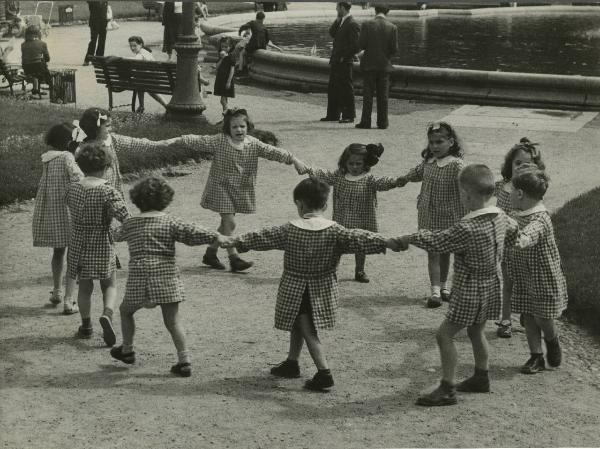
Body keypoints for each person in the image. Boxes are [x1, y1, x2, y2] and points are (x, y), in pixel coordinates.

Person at [221, 178, 400, 391]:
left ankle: (324, 372)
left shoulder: (290, 230)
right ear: (325, 205)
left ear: (299, 204)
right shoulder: (336, 231)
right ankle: (292, 362)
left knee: (306, 327)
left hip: (295, 286)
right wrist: (385, 241)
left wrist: (235, 241)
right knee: (299, 322)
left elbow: (263, 237)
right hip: (322, 287)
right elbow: (359, 238)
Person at [396, 164, 519, 406]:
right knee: (476, 331)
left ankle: (448, 387)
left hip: (469, 289)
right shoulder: (502, 216)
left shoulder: (467, 227)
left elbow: (439, 241)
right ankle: (481, 376)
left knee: (444, 335)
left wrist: (409, 238)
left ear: (466, 195)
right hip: (491, 285)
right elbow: (514, 233)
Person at [110, 177, 225, 377]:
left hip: (139, 277)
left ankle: (127, 349)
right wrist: (216, 236)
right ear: (165, 199)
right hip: (166, 277)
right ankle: (184, 360)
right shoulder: (170, 221)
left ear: (137, 200)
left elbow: (114, 235)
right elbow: (192, 231)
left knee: (126, 311)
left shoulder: (130, 223)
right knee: (172, 321)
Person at [166, 108, 300, 272]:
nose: (239, 130)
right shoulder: (220, 141)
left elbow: (272, 152)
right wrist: (177, 140)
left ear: (247, 126)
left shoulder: (253, 144)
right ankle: (233, 258)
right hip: (220, 187)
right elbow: (200, 141)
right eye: (234, 127)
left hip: (239, 189)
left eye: (242, 126)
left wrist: (293, 159)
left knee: (225, 225)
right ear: (228, 129)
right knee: (230, 222)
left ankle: (210, 253)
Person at [293, 143, 403, 283]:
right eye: (351, 163)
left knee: (361, 245)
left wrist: (396, 181)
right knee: (337, 245)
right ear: (344, 162)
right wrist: (308, 169)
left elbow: (383, 183)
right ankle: (331, 269)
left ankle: (360, 270)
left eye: (359, 163)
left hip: (363, 219)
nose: (355, 167)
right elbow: (323, 174)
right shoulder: (339, 176)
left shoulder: (369, 179)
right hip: (342, 218)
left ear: (366, 163)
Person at [396, 122, 467, 308]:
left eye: (439, 142)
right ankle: (435, 290)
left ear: (451, 142)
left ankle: (444, 287)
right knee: (433, 251)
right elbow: (417, 173)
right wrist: (403, 178)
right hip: (428, 213)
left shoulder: (456, 165)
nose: (434, 146)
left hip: (449, 214)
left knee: (445, 251)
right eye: (431, 142)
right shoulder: (429, 162)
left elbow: (465, 186)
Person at [66, 142, 130, 345]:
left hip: (78, 243)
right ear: (106, 168)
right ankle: (107, 314)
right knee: (109, 284)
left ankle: (86, 326)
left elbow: (68, 206)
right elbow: (126, 218)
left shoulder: (72, 189)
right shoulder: (108, 192)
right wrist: (118, 233)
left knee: (84, 288)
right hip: (102, 241)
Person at [509, 169, 568, 375]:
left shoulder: (540, 218)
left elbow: (527, 237)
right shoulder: (517, 213)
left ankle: (552, 340)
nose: (509, 194)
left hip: (543, 276)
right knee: (528, 314)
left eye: (511, 190)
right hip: (524, 274)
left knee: (543, 316)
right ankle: (536, 356)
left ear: (520, 194)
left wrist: (517, 237)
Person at [494, 138, 545, 338]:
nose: (521, 168)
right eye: (517, 164)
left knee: (528, 283)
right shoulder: (503, 187)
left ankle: (527, 312)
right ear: (509, 165)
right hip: (507, 245)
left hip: (526, 244)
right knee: (508, 282)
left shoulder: (533, 192)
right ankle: (506, 319)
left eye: (527, 165)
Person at [76, 108, 187, 199]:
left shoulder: (112, 141)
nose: (112, 129)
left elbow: (143, 144)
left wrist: (171, 142)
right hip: (90, 200)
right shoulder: (80, 151)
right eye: (107, 126)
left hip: (113, 198)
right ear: (95, 128)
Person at [33, 122, 84, 315]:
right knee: (75, 254)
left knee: (58, 252)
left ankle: (57, 290)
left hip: (54, 211)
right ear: (69, 142)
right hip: (69, 210)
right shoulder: (67, 157)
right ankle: (70, 300)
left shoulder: (47, 159)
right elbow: (77, 178)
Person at [355, 4, 398, 130]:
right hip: (384, 66)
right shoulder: (392, 27)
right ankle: (382, 122)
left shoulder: (366, 25)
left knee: (368, 95)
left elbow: (361, 44)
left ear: (375, 11)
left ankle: (366, 122)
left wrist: (367, 51)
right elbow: (394, 49)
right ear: (387, 13)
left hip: (369, 65)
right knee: (383, 95)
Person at [320, 2, 360, 124]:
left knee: (346, 88)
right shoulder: (342, 21)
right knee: (333, 87)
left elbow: (355, 46)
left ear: (342, 8)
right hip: (336, 60)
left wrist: (344, 56)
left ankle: (349, 115)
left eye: (337, 7)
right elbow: (332, 33)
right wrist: (337, 20)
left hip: (344, 61)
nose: (336, 9)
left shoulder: (352, 24)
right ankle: (333, 114)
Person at [127, 35, 167, 113]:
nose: (132, 48)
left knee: (142, 84)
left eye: (134, 46)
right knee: (140, 82)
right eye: (131, 46)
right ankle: (141, 106)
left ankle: (166, 106)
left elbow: (136, 60)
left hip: (152, 80)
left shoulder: (141, 54)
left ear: (141, 45)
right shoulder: (145, 52)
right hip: (150, 79)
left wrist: (121, 58)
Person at [20, 25, 51, 97]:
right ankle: (52, 87)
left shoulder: (23, 45)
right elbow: (48, 58)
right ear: (37, 34)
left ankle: (36, 89)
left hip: (27, 69)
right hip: (39, 70)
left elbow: (24, 57)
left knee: (36, 67)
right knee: (44, 68)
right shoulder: (42, 43)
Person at [214, 37, 236, 113]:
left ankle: (227, 115)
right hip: (220, 79)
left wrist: (229, 81)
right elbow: (216, 67)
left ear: (231, 47)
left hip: (227, 79)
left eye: (226, 47)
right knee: (224, 99)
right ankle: (226, 115)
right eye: (222, 46)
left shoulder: (231, 56)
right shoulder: (221, 55)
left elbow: (232, 70)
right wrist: (222, 58)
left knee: (222, 100)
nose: (224, 48)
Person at [83, 1, 109, 66]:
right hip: (94, 21)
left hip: (103, 21)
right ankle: (88, 59)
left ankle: (99, 58)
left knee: (102, 41)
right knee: (93, 41)